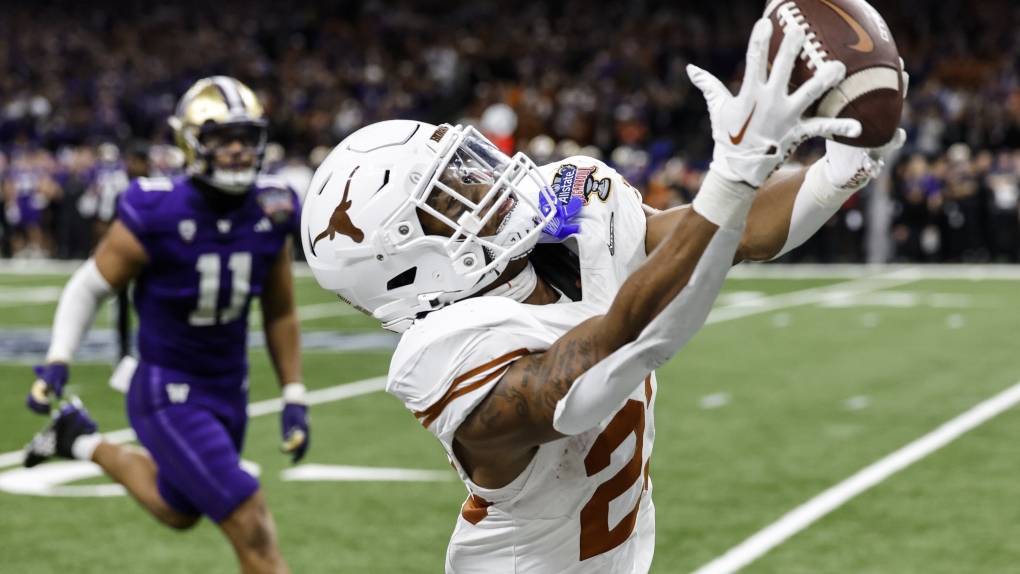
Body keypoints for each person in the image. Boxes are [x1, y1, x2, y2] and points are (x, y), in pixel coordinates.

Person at [302, 21, 903, 574]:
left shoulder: (572, 221)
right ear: (405, 266)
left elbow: (728, 234)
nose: (487, 178)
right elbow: (606, 362)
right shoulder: (443, 352)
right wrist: (732, 178)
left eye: (466, 164)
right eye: (451, 193)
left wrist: (840, 168)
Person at [23, 76, 309, 574]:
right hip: (165, 387)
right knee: (250, 519)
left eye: (247, 137)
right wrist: (58, 357)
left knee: (177, 509)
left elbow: (279, 308)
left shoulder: (274, 206)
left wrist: (294, 393)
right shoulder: (155, 208)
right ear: (191, 142)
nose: (239, 151)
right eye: (223, 138)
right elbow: (90, 285)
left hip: (229, 386)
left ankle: (78, 439)